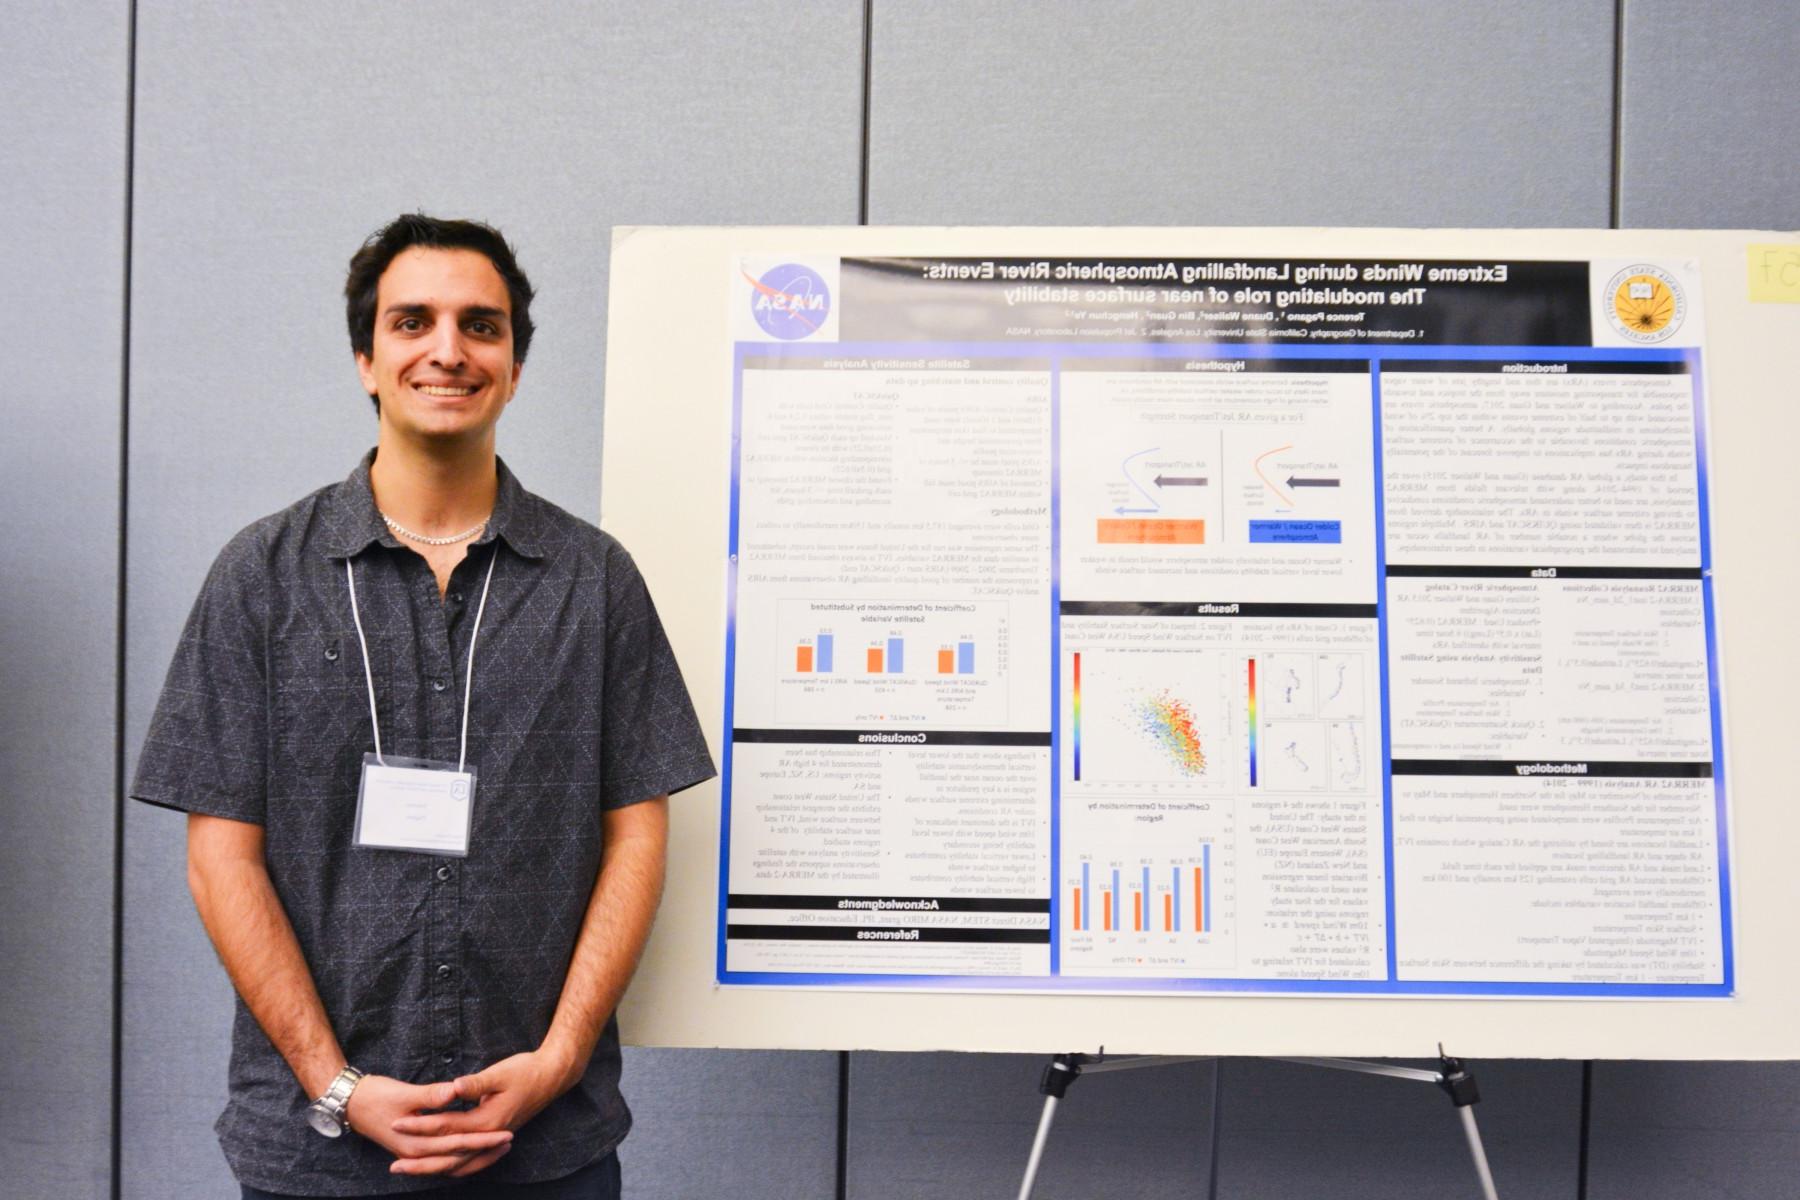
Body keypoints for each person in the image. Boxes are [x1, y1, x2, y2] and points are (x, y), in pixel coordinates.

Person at [132, 214, 715, 1198]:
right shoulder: (263, 576)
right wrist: (336, 1083)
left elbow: (637, 839)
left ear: (516, 367)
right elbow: (220, 855)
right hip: (316, 1149)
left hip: (547, 1149)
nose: (448, 349)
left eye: (480, 326)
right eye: (413, 322)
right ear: (367, 358)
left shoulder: (596, 582)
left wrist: (561, 1060)